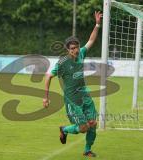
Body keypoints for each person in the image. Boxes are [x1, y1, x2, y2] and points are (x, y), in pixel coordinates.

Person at [43, 11, 102, 157]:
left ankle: (87, 150)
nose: (75, 51)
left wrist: (97, 24)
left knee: (93, 124)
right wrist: (45, 97)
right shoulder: (62, 63)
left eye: (76, 47)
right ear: (68, 50)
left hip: (85, 95)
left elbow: (91, 40)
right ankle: (64, 130)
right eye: (72, 49)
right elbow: (48, 76)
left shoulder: (82, 53)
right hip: (72, 100)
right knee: (83, 128)